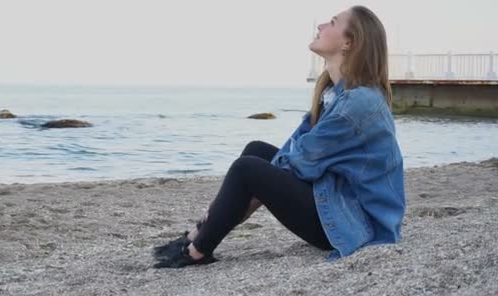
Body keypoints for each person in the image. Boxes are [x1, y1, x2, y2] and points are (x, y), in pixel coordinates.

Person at [152, 5, 406, 268]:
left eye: (331, 22)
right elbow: (295, 147)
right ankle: (198, 234)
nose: (321, 26)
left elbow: (301, 162)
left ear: (348, 42)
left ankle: (197, 250)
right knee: (256, 151)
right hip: (336, 200)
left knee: (246, 170)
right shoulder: (334, 93)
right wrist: (233, 203)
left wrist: (243, 201)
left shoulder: (357, 104)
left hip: (354, 226)